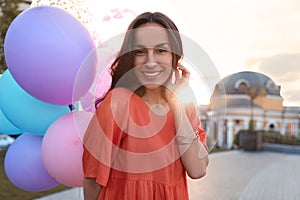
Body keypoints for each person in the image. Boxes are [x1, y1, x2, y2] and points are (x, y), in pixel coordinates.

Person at [82, 11, 209, 200]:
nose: (150, 62)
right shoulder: (118, 103)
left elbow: (197, 170)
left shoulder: (185, 106)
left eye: (161, 51)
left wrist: (175, 103)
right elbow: (92, 181)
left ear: (175, 57)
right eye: (140, 52)